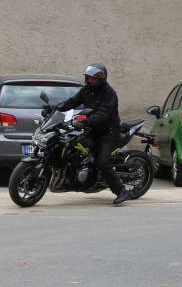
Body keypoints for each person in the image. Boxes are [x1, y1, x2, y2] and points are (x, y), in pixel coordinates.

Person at [51, 63, 129, 206]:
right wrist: (56, 109)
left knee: (102, 161)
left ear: (101, 79)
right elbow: (73, 101)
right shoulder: (87, 89)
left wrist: (87, 121)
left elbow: (103, 113)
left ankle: (121, 191)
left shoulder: (109, 93)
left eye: (92, 78)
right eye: (88, 78)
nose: (89, 80)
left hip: (109, 132)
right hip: (92, 130)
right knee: (74, 147)